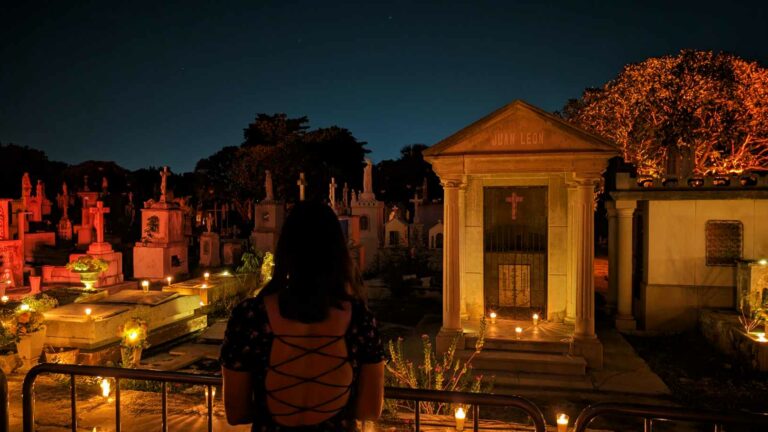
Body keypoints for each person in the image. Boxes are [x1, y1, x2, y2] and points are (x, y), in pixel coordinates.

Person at [220, 201, 386, 431]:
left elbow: (237, 412)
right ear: (338, 251)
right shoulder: (360, 320)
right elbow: (369, 410)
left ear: (286, 248)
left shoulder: (250, 317)